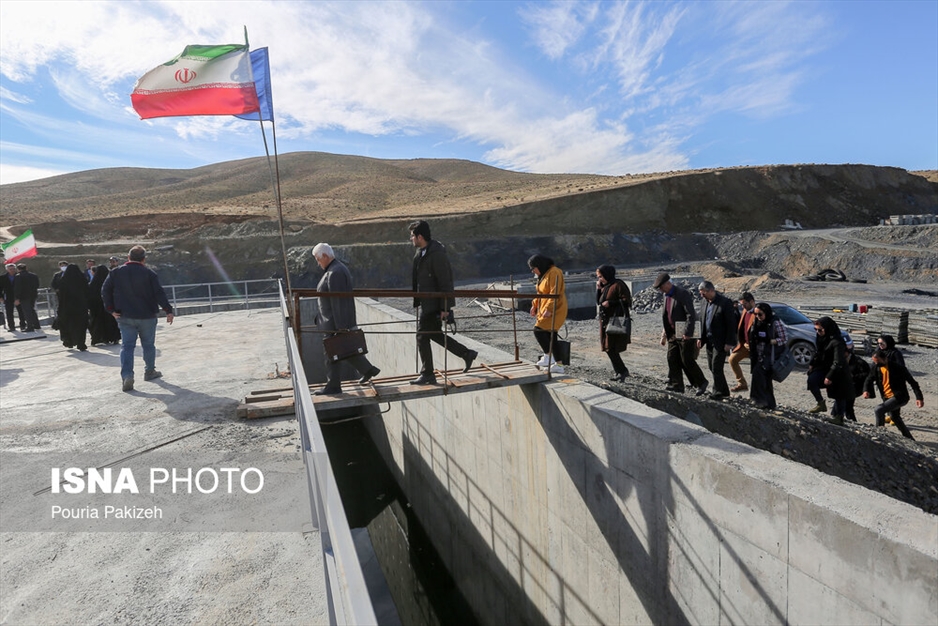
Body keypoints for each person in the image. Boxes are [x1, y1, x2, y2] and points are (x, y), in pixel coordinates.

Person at [409, 220, 477, 385]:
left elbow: (445, 282)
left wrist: (445, 308)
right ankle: (466, 353)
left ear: (420, 236)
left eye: (412, 236)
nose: (411, 239)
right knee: (434, 334)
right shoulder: (422, 253)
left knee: (421, 336)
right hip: (427, 303)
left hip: (433, 304)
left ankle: (427, 373)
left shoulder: (437, 254)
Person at [101, 246, 174, 392]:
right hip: (147, 316)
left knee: (127, 347)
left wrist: (111, 310)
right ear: (144, 259)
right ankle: (149, 371)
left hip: (125, 316)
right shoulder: (149, 273)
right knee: (148, 345)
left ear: (128, 257)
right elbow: (159, 293)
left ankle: (127, 376)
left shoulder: (116, 272)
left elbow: (105, 290)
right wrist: (168, 310)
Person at [311, 243, 381, 395]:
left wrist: (341, 327)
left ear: (324, 256)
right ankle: (367, 370)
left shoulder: (335, 272)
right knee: (339, 352)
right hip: (332, 321)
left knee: (332, 353)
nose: (318, 263)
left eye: (318, 259)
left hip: (333, 323)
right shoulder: (335, 269)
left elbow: (338, 301)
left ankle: (333, 386)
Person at [655, 273, 708, 395]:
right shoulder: (666, 295)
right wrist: (664, 334)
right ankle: (677, 385)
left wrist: (688, 332)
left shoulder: (682, 294)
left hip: (684, 333)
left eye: (661, 287)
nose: (660, 290)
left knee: (687, 360)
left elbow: (691, 314)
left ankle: (701, 382)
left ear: (668, 284)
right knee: (672, 358)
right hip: (672, 333)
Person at [863, 349, 923, 440]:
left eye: (878, 361)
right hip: (886, 397)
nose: (876, 363)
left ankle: (879, 434)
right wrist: (866, 390)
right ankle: (909, 438)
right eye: (875, 362)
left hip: (900, 397)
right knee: (894, 417)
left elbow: (913, 383)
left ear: (885, 359)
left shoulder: (898, 368)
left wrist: (919, 397)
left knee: (879, 410)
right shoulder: (876, 367)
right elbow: (869, 379)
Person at [807, 316, 853, 425]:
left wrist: (830, 376)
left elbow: (838, 360)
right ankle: (820, 403)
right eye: (816, 330)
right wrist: (812, 364)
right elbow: (819, 352)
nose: (818, 332)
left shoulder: (837, 341)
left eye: (820, 330)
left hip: (837, 370)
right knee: (811, 380)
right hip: (823, 367)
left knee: (839, 394)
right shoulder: (821, 338)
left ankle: (839, 417)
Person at [696, 281, 738, 400]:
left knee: (716, 367)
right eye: (701, 294)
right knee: (711, 366)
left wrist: (730, 342)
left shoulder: (724, 303)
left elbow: (731, 324)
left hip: (721, 342)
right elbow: (702, 322)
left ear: (711, 291)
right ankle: (724, 391)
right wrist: (700, 338)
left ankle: (718, 392)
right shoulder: (704, 303)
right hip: (709, 340)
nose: (702, 296)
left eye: (703, 293)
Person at [529, 254, 568, 374]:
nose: (532, 271)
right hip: (545, 308)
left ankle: (548, 355)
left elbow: (554, 292)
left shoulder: (554, 272)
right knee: (552, 335)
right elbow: (540, 293)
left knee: (538, 330)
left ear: (539, 265)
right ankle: (559, 364)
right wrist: (534, 305)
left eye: (533, 268)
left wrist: (549, 309)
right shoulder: (544, 275)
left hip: (556, 308)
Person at [746, 302, 786, 410]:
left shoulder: (774, 322)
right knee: (765, 380)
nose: (758, 317)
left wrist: (770, 341)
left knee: (758, 375)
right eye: (756, 314)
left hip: (769, 355)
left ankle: (760, 401)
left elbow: (783, 338)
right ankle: (769, 404)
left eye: (760, 314)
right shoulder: (757, 322)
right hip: (758, 354)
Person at [595, 265, 631, 381]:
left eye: (601, 276)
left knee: (611, 347)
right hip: (605, 321)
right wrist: (598, 289)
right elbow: (599, 302)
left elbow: (627, 301)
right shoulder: (606, 287)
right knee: (608, 348)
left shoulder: (618, 285)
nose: (600, 279)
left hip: (615, 321)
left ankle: (622, 371)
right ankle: (620, 371)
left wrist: (611, 303)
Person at [56, 264, 89, 351]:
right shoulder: (82, 280)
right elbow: (87, 292)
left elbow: (60, 295)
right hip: (81, 307)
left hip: (67, 308)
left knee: (68, 324)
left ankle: (69, 341)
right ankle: (81, 343)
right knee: (81, 326)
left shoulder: (63, 281)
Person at [729, 292, 756, 392]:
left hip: (755, 346)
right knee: (732, 360)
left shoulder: (758, 312)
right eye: (742, 304)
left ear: (752, 302)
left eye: (745, 304)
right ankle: (742, 383)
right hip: (745, 344)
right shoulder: (745, 311)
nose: (743, 306)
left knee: (757, 371)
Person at [87, 264, 121, 345]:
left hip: (97, 308)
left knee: (98, 323)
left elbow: (90, 296)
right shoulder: (111, 283)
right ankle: (114, 337)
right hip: (110, 308)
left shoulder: (93, 284)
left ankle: (101, 338)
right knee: (112, 322)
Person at [844, 337, 869, 422]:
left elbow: (867, 374)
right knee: (841, 403)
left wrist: (853, 377)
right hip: (845, 386)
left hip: (855, 387)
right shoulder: (840, 361)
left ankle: (852, 421)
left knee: (848, 405)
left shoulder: (859, 362)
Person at [13, 263, 41, 332]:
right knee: (32, 309)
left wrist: (17, 298)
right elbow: (37, 285)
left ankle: (30, 326)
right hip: (33, 295)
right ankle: (36, 325)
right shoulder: (33, 276)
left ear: (18, 269)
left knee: (26, 311)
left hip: (23, 296)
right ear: (26, 268)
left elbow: (17, 288)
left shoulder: (18, 276)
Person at [0, 263, 23, 332]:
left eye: (13, 269)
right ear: (7, 270)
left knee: (21, 312)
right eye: (10, 269)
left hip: (18, 297)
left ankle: (23, 325)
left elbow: (22, 287)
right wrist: (0, 297)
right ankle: (11, 327)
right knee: (9, 312)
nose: (12, 270)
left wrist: (19, 298)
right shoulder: (2, 277)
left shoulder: (19, 276)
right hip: (8, 297)